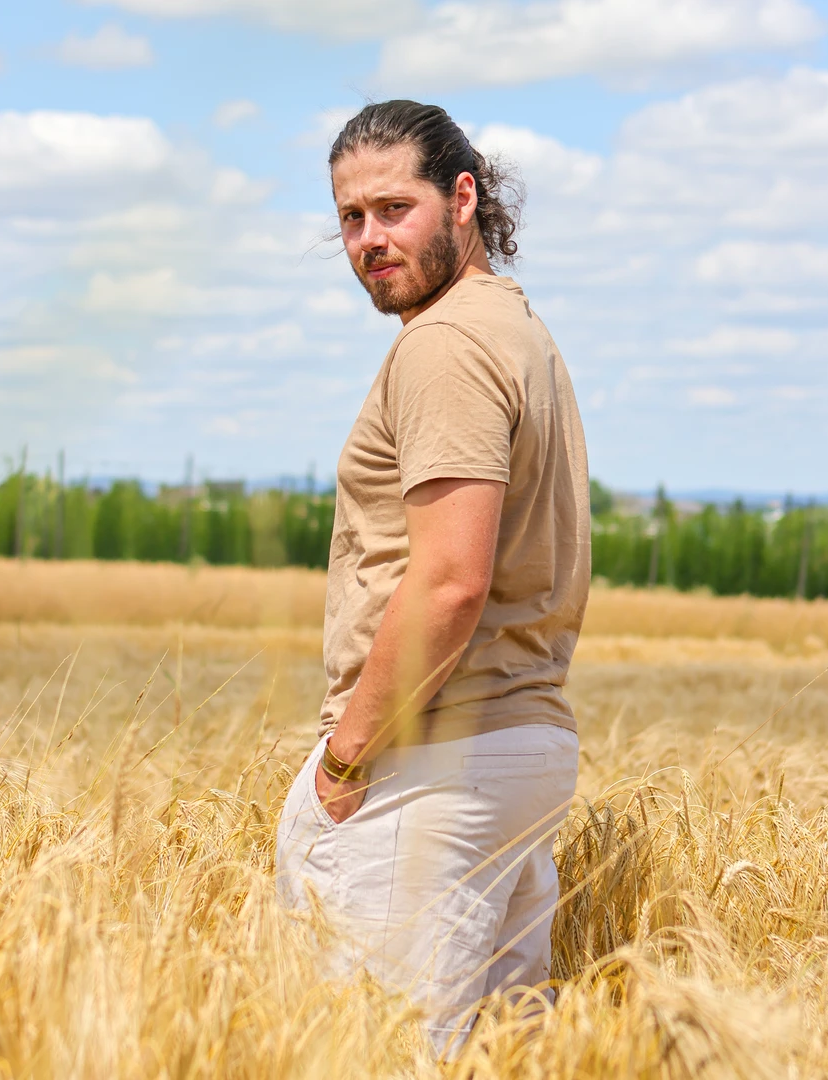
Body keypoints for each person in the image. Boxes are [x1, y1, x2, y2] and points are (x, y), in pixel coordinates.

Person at [276, 100, 591, 1056]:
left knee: (377, 1053)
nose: (369, 239)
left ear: (464, 199)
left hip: (431, 762)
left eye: (393, 208)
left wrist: (341, 767)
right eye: (349, 218)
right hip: (519, 748)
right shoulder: (518, 331)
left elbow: (451, 583)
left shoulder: (446, 345)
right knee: (489, 1056)